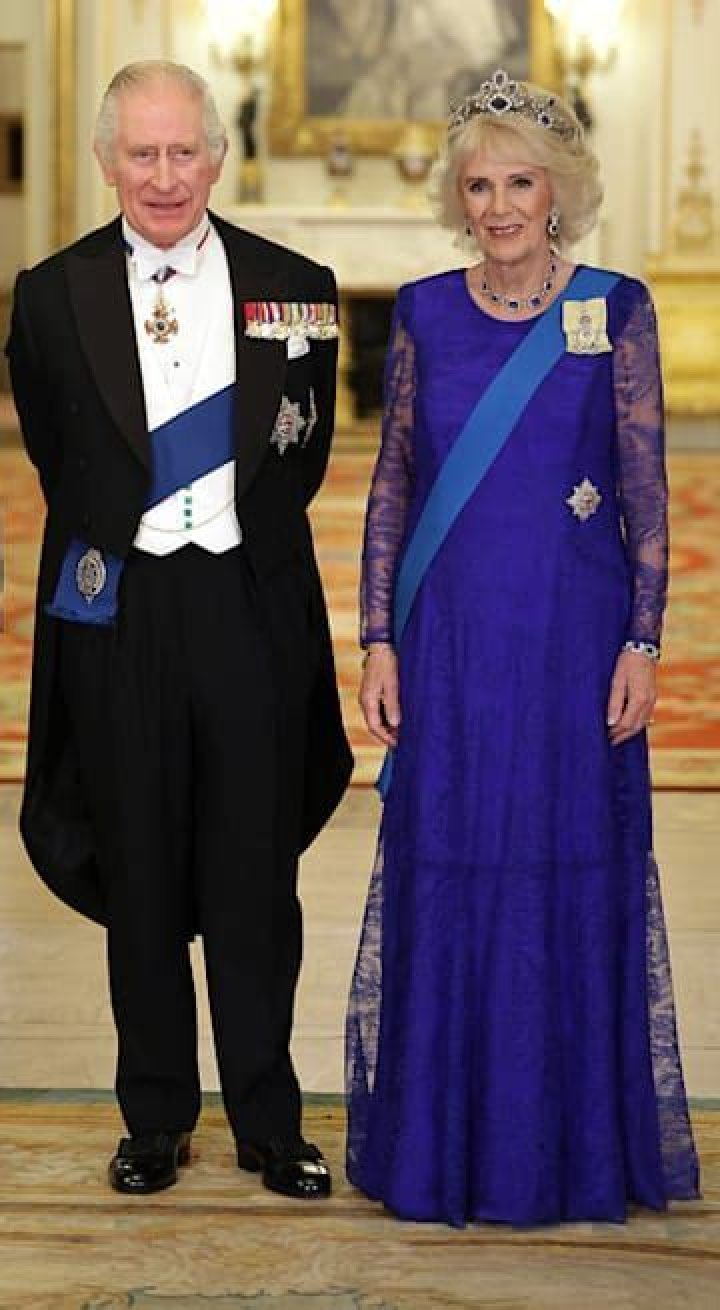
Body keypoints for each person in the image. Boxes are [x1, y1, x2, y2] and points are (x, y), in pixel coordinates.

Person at [346, 69, 700, 1226]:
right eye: (478, 184)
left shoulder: (619, 307)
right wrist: (378, 638)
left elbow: (647, 491)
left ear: (559, 191)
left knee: (564, 866)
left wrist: (644, 640)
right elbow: (392, 482)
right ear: (459, 196)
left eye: (519, 182)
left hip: (570, 647)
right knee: (453, 864)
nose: (497, 205)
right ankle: (446, 1143)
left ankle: (572, 1148)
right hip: (451, 645)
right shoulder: (422, 311)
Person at [7, 60, 352, 1198]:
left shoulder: (295, 285)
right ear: (108, 160)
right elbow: (69, 465)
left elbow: (299, 457)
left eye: (184, 151)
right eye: (141, 153)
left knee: (256, 876)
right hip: (122, 618)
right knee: (141, 870)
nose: (165, 175)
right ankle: (153, 1117)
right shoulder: (49, 295)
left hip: (249, 611)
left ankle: (268, 1118)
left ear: (217, 155)